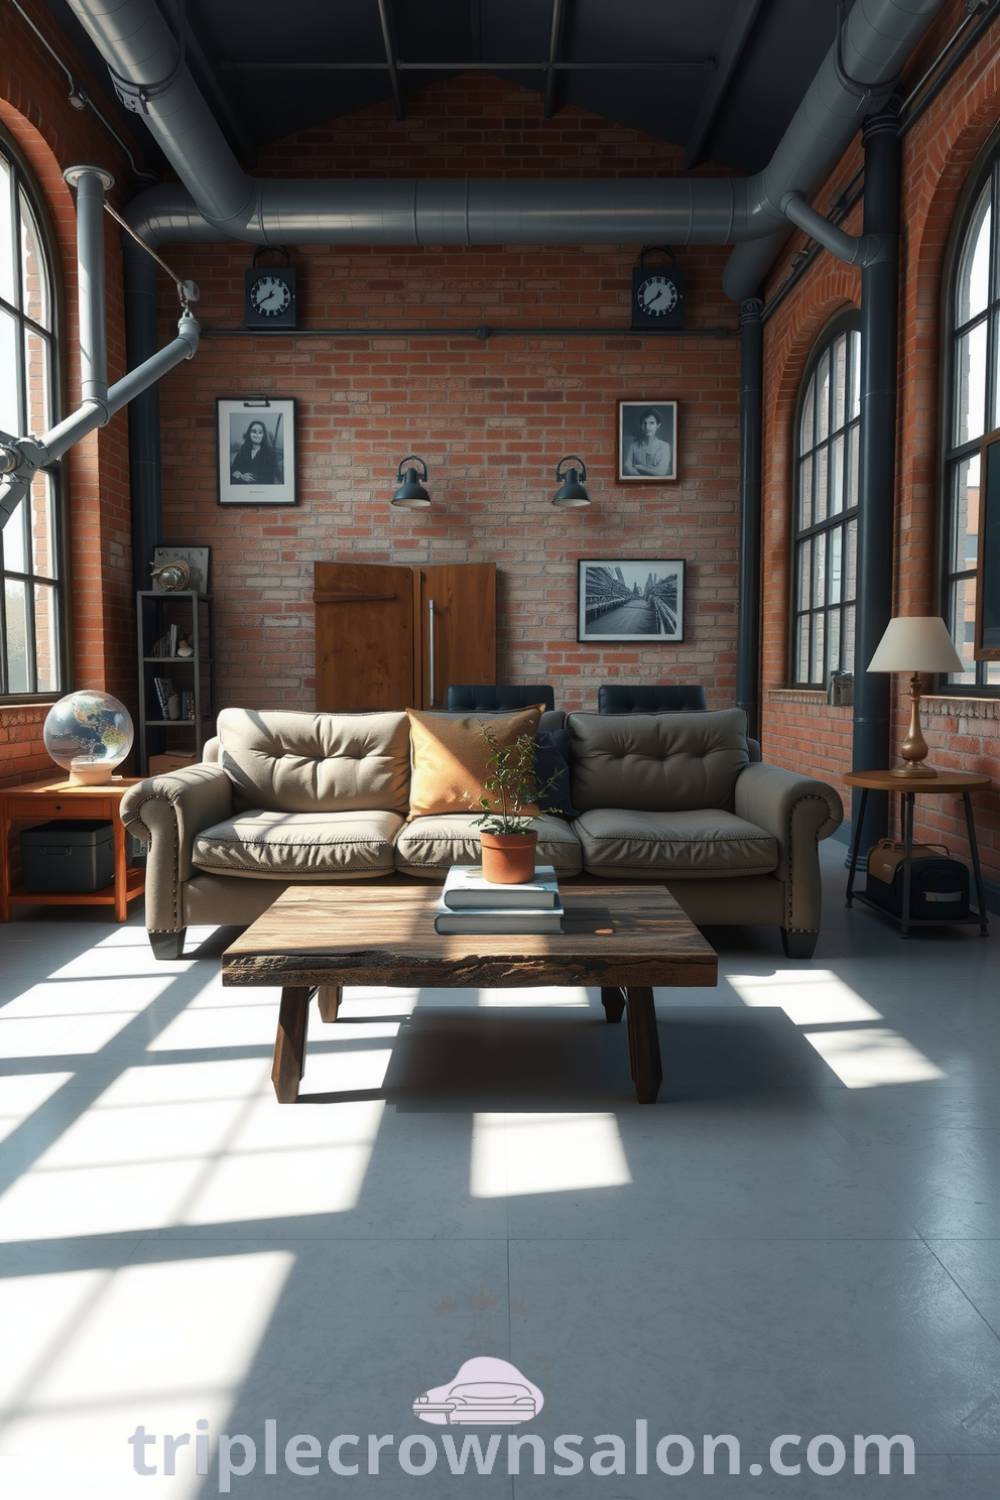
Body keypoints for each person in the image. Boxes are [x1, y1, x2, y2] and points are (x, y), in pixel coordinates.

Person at [623, 408, 672, 477]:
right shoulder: (633, 445)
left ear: (658, 425)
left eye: (651, 423)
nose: (647, 427)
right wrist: (642, 478)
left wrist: (637, 466)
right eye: (644, 423)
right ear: (641, 425)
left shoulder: (665, 446)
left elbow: (661, 472)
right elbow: (626, 467)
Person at [231, 419, 278, 484]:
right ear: (249, 434)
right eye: (254, 431)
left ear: (263, 435)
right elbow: (233, 470)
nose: (257, 435)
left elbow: (270, 478)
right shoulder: (243, 449)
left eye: (260, 432)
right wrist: (241, 476)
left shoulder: (270, 452)